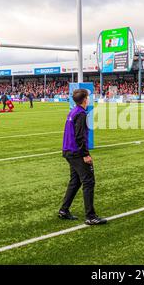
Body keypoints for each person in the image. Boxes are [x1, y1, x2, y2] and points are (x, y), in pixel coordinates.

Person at [59, 89, 107, 226]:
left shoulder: (73, 112)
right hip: (76, 152)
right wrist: (86, 154)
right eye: (88, 97)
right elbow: (80, 136)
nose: (90, 99)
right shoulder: (80, 114)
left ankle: (64, 210)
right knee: (88, 181)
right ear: (85, 99)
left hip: (68, 151)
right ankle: (90, 216)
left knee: (75, 181)